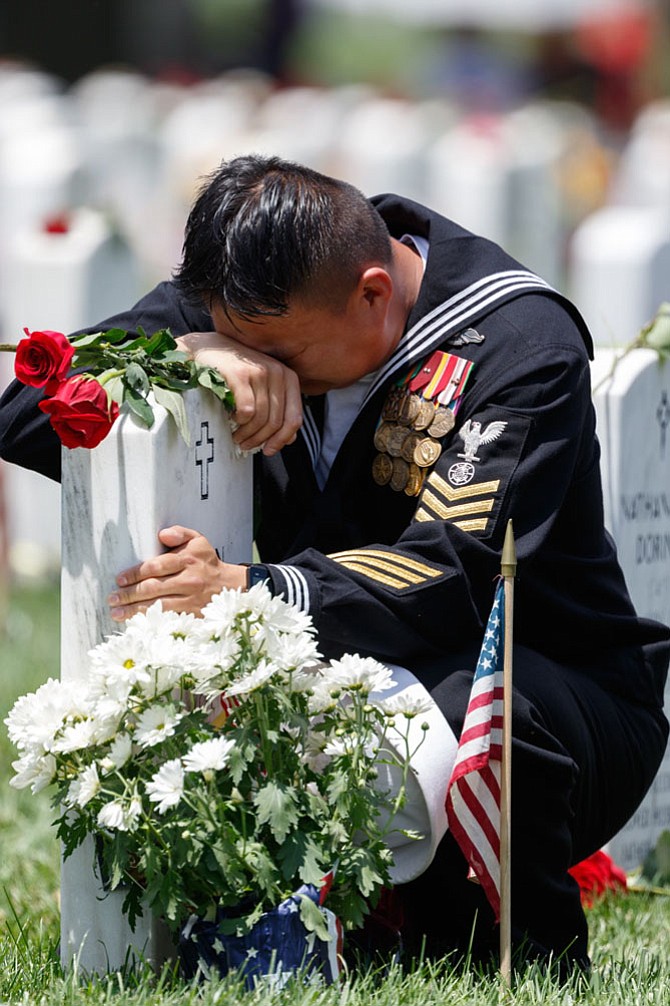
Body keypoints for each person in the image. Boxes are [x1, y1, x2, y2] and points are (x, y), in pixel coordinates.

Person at [1, 154, 668, 976]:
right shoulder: (252, 292)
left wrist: (256, 589)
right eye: (237, 339)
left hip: (544, 688)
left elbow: (456, 574)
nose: (263, 366)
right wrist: (190, 354)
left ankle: (524, 955)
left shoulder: (518, 342)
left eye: (279, 353)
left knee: (462, 714)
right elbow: (29, 411)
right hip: (338, 674)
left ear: (374, 295)